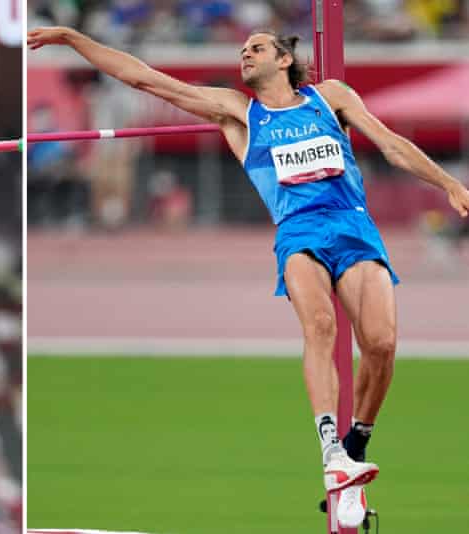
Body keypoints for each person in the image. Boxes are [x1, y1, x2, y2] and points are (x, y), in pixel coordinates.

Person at [28, 26, 469, 527]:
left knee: (382, 345)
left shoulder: (331, 98)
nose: (245, 54)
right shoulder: (238, 111)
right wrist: (70, 37)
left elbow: (390, 144)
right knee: (321, 326)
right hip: (298, 231)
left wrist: (448, 181)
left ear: (284, 59)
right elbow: (146, 80)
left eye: (256, 48)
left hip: (354, 223)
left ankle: (354, 444)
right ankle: (331, 453)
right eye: (242, 50)